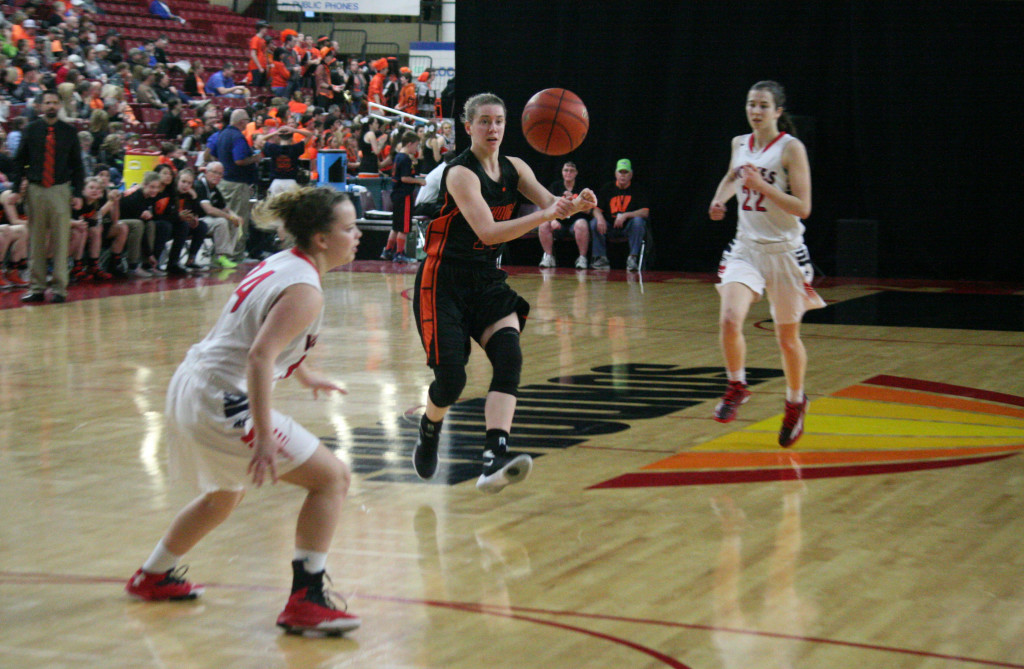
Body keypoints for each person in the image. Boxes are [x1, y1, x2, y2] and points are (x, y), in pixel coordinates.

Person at [124, 186, 362, 637]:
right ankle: (306, 601)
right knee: (332, 478)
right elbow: (258, 356)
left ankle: (153, 575)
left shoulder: (285, 263)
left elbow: (254, 332)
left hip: (192, 383)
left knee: (223, 494)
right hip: (221, 398)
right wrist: (267, 436)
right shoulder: (305, 288)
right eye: (348, 228)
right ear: (321, 239)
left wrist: (305, 375)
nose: (357, 235)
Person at [411, 93, 595, 493]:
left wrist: (575, 204)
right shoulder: (460, 174)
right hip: (443, 280)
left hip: (485, 279)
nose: (493, 129)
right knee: (451, 381)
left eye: (499, 121)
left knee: (509, 357)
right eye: (484, 122)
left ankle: (495, 456)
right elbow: (489, 232)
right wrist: (546, 215)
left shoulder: (516, 167)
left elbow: (552, 205)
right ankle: (429, 427)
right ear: (468, 127)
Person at [707, 80, 825, 447]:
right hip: (747, 247)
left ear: (777, 112)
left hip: (785, 252)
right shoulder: (739, 144)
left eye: (762, 105)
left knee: (787, 339)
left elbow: (803, 208)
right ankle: (737, 385)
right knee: (729, 319)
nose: (755, 111)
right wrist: (719, 200)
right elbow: (733, 175)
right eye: (750, 104)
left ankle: (795, 402)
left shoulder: (791, 149)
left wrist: (763, 187)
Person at [12, 89, 85, 304]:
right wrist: (17, 188)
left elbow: (78, 165)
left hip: (60, 189)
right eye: (47, 103)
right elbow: (19, 160)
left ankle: (60, 289)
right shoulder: (31, 129)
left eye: (54, 102)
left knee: (61, 240)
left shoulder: (69, 131)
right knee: (35, 240)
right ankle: (37, 287)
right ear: (41, 106)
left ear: (60, 105)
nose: (51, 106)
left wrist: (78, 193)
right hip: (35, 189)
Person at [589, 158, 649, 271]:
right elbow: (596, 209)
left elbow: (645, 212)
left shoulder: (637, 189)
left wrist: (626, 215)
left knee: (638, 221)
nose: (623, 175)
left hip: (627, 228)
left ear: (631, 174)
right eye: (620, 172)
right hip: (608, 227)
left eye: (626, 172)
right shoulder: (607, 188)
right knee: (594, 222)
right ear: (615, 174)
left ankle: (633, 258)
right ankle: (600, 258)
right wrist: (600, 217)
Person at [216, 108, 260, 259]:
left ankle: (225, 251)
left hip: (224, 181)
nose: (248, 123)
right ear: (242, 122)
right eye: (247, 120)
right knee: (239, 219)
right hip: (237, 184)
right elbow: (239, 160)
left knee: (228, 217)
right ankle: (235, 253)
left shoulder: (222, 134)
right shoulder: (237, 137)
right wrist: (256, 158)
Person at [380, 131, 424, 263]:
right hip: (404, 195)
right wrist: (418, 181)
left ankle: (388, 250)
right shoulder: (405, 158)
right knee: (404, 227)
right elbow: (405, 178)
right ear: (409, 144)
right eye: (416, 145)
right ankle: (399, 253)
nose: (416, 149)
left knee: (396, 226)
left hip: (396, 194)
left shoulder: (398, 156)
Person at [538, 160, 589, 269]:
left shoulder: (582, 188)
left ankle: (582, 258)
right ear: (562, 172)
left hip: (575, 223)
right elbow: (546, 207)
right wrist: (552, 220)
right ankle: (548, 256)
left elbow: (589, 210)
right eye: (566, 170)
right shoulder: (555, 186)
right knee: (543, 224)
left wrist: (575, 199)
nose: (568, 173)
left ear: (576, 173)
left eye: (571, 171)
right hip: (558, 222)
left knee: (582, 224)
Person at [194, 161, 242, 269]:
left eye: (220, 174)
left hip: (207, 220)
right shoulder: (199, 185)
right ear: (206, 172)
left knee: (235, 223)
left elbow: (225, 208)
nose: (217, 176)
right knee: (221, 221)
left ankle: (226, 256)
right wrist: (230, 217)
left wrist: (235, 217)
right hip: (197, 220)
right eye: (214, 172)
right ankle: (221, 256)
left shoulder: (214, 188)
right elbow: (209, 210)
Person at [248, 20, 269, 88]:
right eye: (265, 28)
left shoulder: (263, 40)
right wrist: (259, 67)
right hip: (257, 67)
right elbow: (253, 54)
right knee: (256, 87)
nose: (266, 29)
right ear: (261, 28)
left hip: (263, 67)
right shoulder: (255, 39)